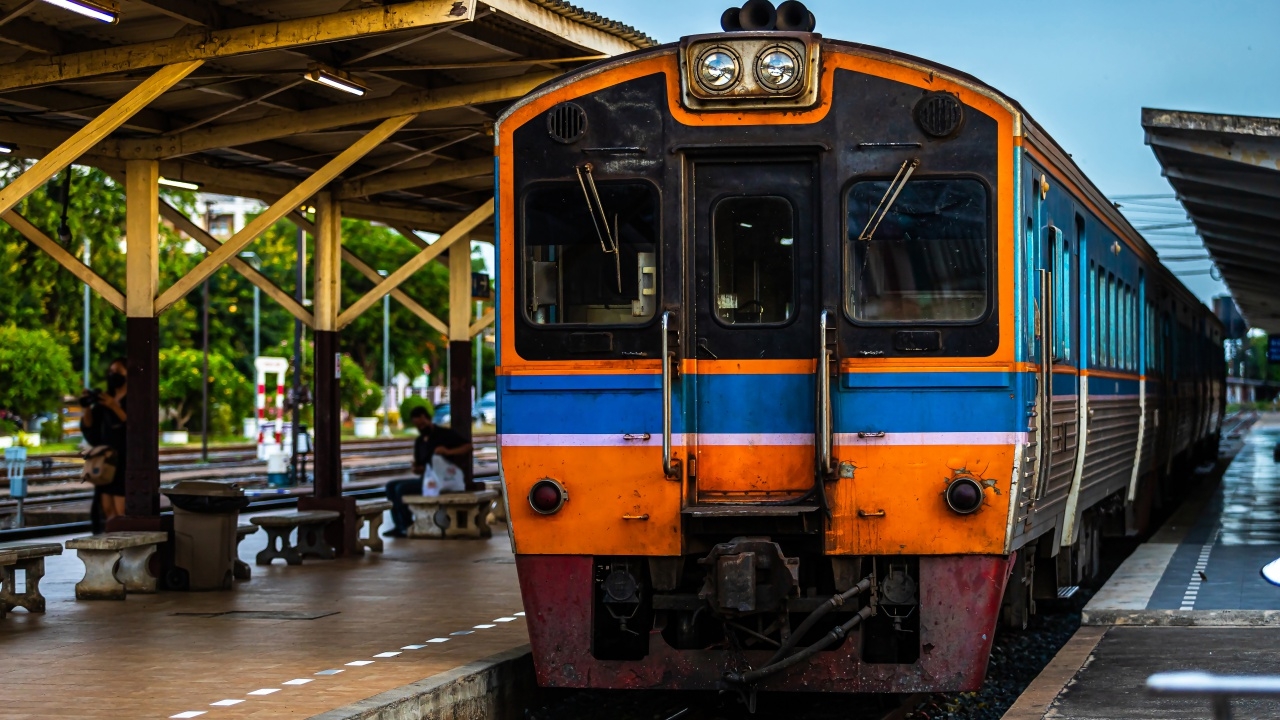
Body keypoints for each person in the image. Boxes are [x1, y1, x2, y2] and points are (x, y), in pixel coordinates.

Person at [383, 405, 471, 538]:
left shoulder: (444, 434)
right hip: (427, 479)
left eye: (423, 424)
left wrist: (448, 451)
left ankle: (407, 525)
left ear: (428, 419)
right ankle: (399, 525)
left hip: (443, 479)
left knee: (401, 489)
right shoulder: (419, 441)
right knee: (391, 486)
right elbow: (420, 468)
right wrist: (417, 469)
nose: (421, 427)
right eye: (418, 425)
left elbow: (467, 447)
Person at [80, 359, 128, 524]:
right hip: (107, 461)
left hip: (124, 459)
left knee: (121, 510)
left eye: (118, 371)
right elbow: (90, 428)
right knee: (108, 510)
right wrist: (87, 406)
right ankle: (112, 541)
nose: (112, 375)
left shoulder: (134, 399)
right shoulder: (104, 400)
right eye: (110, 371)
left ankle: (125, 542)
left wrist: (114, 406)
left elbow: (135, 426)